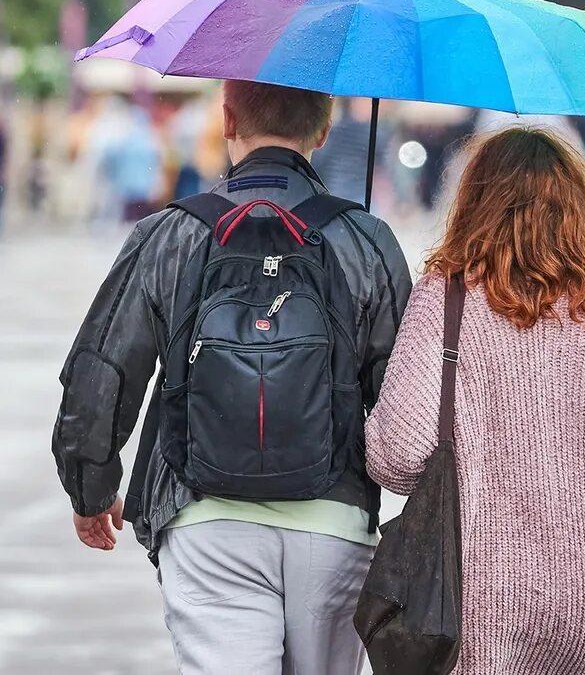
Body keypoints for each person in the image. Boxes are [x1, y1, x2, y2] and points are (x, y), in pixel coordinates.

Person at [53, 80, 412, 675]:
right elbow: (404, 401)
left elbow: (101, 371)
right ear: (322, 130)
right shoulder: (364, 239)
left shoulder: (170, 234)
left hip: (204, 518)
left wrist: (90, 487)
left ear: (226, 119)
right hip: (334, 524)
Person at [365, 127, 585, 675]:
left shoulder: (446, 298)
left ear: (475, 203)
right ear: (577, 211)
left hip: (478, 598)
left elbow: (397, 458)